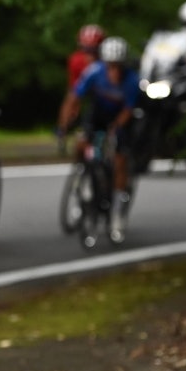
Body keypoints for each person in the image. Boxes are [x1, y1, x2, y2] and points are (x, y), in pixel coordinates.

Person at [58, 37, 141, 244]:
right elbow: (74, 97)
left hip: (119, 118)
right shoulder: (94, 72)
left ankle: (116, 214)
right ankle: (83, 171)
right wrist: (64, 125)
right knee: (82, 144)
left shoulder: (131, 80)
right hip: (97, 115)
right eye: (110, 66)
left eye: (117, 67)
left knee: (120, 159)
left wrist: (115, 130)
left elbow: (128, 110)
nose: (113, 71)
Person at [56, 24, 105, 154]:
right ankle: (63, 131)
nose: (90, 55)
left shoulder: (107, 62)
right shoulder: (76, 61)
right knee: (71, 101)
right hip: (86, 92)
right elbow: (74, 91)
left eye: (94, 51)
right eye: (86, 50)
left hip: (105, 94)